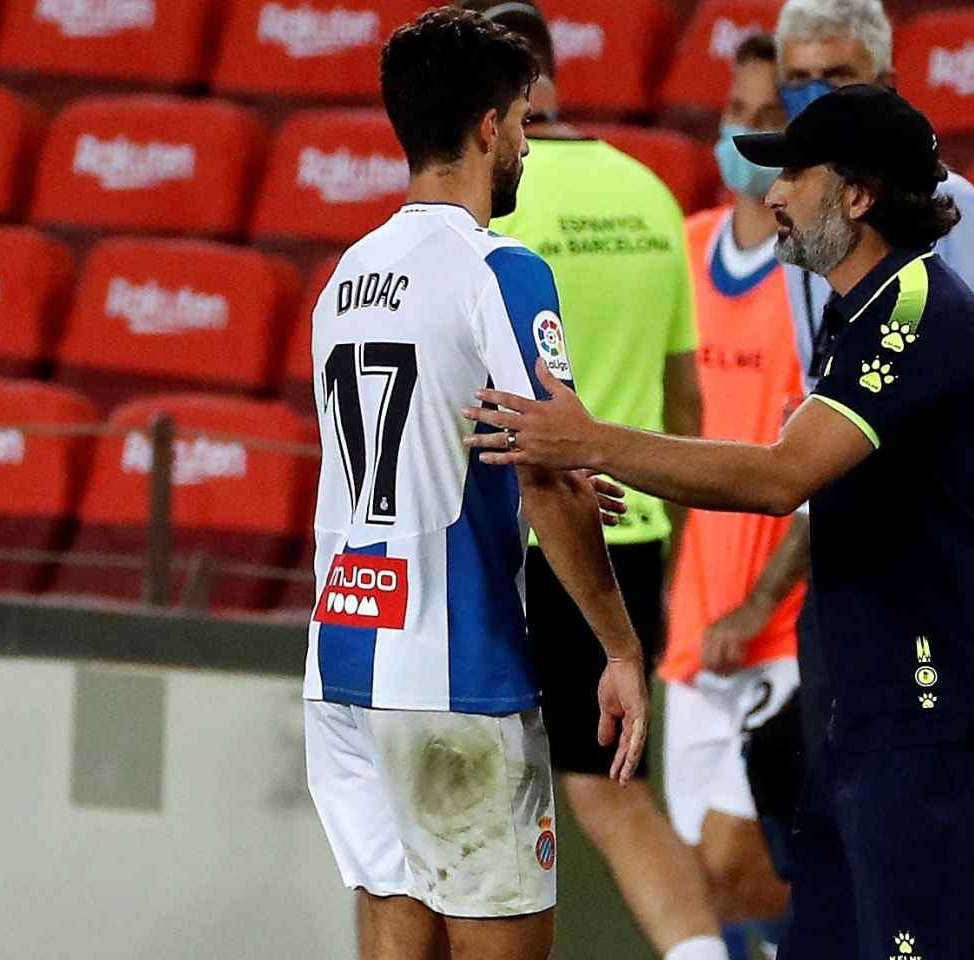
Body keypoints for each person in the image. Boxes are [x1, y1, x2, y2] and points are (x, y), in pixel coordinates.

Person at [465, 84, 974, 960]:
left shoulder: (913, 311)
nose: (770, 193)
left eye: (795, 174)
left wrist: (592, 440)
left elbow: (783, 476)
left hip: (942, 712)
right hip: (872, 701)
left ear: (857, 196)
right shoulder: (854, 310)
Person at [303, 10, 649, 960]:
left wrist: (548, 479)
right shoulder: (502, 269)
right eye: (526, 124)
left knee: (391, 926)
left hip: (344, 658)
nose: (528, 146)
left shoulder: (346, 275)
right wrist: (618, 646)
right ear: (491, 126)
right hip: (455, 667)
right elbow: (546, 475)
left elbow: (420, 455)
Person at [447, 6, 728, 960]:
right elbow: (685, 398)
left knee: (478, 791)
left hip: (518, 532)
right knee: (613, 789)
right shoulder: (652, 194)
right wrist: (675, 534)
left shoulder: (488, 200)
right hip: (635, 526)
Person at [751, 0, 974, 815]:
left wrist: (960, 498)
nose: (814, 97)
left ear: (889, 86)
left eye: (837, 78)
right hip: (853, 549)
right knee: (836, 798)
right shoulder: (804, 209)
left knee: (917, 813)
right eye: (798, 81)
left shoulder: (942, 206)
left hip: (933, 560)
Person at [662, 32, 796, 948]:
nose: (745, 133)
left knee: (727, 871)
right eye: (735, 114)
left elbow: (828, 474)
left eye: (769, 119)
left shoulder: (816, 277)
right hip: (687, 640)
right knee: (706, 898)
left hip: (779, 634)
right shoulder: (681, 249)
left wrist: (754, 608)